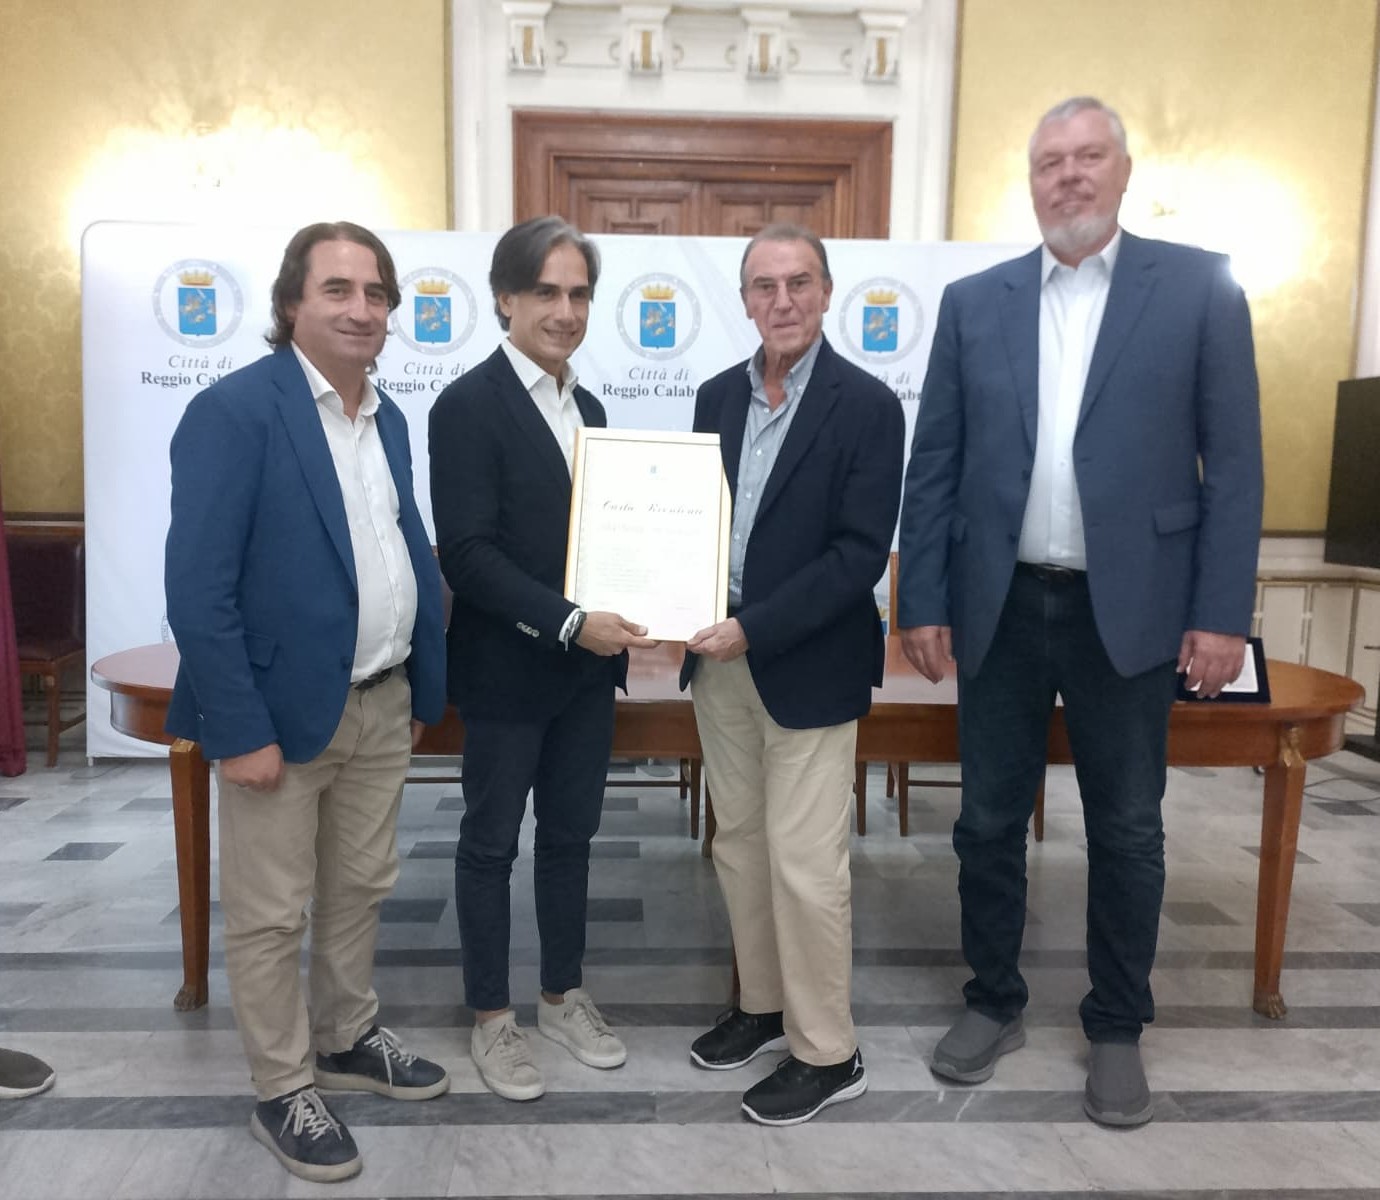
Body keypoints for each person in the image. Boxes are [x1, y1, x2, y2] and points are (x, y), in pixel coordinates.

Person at [897, 97, 1263, 1127]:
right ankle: (992, 1000)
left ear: (1124, 170)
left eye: (1088, 155)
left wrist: (1220, 615)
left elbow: (1235, 467)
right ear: (1031, 182)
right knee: (986, 821)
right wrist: (921, 597)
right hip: (1001, 605)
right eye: (1050, 161)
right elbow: (937, 464)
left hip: (1133, 611)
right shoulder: (976, 303)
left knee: (1129, 828)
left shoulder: (1197, 288)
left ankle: (1116, 1024)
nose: (1069, 175)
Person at [164, 221, 450, 1182]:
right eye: (337, 289)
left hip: (380, 700)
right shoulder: (235, 413)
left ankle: (345, 1037)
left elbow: (400, 553)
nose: (361, 309)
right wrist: (238, 728)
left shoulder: (388, 419)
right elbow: (198, 589)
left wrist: (421, 678)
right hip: (278, 719)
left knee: (362, 885)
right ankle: (284, 1085)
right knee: (270, 912)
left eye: (376, 293)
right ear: (292, 304)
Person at [681, 223, 904, 1126]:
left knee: (807, 864)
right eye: (764, 286)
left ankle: (828, 1051)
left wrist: (753, 627)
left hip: (805, 664)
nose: (782, 300)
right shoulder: (714, 398)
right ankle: (766, 1006)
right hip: (719, 662)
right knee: (739, 845)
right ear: (744, 300)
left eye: (799, 282)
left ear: (826, 291)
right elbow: (690, 524)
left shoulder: (868, 406)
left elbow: (857, 555)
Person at [429, 216, 655, 1102]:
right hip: (507, 670)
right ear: (505, 299)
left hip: (585, 676)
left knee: (571, 839)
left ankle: (562, 996)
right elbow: (468, 554)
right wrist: (568, 623)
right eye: (547, 292)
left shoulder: (588, 410)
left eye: (580, 294)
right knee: (490, 846)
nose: (566, 311)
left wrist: (638, 604)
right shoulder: (466, 406)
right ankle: (493, 1017)